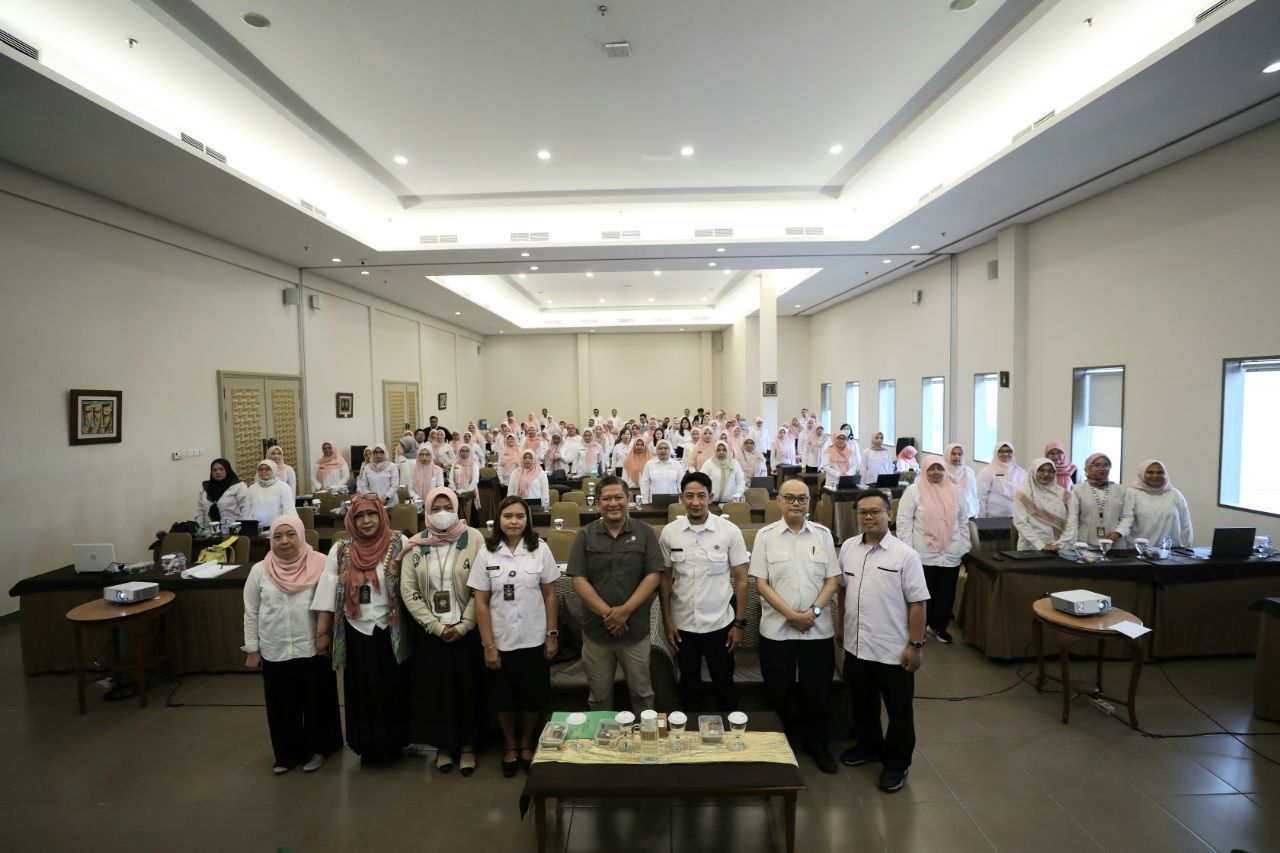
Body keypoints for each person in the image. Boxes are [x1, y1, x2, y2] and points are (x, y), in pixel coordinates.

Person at [835, 489, 929, 794]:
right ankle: (869, 745)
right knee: (862, 703)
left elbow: (917, 603)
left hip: (893, 649)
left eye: (875, 511)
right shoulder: (848, 548)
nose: (868, 517)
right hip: (857, 645)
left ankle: (897, 763)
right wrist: (842, 627)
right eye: (862, 512)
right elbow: (843, 590)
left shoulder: (906, 555)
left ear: (889, 514)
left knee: (899, 711)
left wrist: (916, 645)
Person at [749, 478, 840, 773]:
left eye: (802, 498)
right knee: (777, 692)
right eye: (789, 497)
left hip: (817, 630)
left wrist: (813, 612)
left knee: (819, 691)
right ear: (779, 501)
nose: (796, 503)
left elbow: (832, 581)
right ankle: (779, 746)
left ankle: (818, 745)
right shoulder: (765, 536)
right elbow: (761, 584)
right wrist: (791, 614)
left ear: (809, 502)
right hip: (777, 631)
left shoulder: (823, 535)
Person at [311, 493, 411, 763]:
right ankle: (367, 745)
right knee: (362, 690)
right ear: (351, 520)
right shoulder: (340, 549)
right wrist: (322, 634)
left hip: (390, 631)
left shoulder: (399, 542)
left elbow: (413, 582)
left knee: (392, 688)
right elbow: (327, 595)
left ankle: (395, 743)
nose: (366, 521)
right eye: (360, 516)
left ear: (382, 515)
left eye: (372, 514)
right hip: (356, 632)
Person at [242, 515, 342, 774]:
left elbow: (331, 604)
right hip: (276, 648)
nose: (284, 541)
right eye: (277, 536)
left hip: (312, 646)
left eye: (290, 534)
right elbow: (251, 612)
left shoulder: (321, 563)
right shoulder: (260, 571)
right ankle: (287, 754)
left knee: (316, 701)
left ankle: (317, 749)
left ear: (301, 535)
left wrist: (329, 637)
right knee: (282, 704)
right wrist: (252, 649)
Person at [469, 496, 559, 776]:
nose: (514, 521)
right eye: (508, 516)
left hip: (534, 638)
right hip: (501, 640)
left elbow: (550, 594)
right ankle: (510, 745)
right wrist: (488, 645)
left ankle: (526, 743)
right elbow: (481, 602)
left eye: (520, 516)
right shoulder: (487, 552)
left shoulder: (540, 548)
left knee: (533, 696)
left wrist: (551, 634)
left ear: (527, 520)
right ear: (499, 519)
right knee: (503, 698)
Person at [400, 488, 484, 775]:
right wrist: (435, 626)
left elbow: (481, 585)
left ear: (457, 508)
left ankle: (469, 745)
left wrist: (465, 624)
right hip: (431, 631)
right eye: (435, 508)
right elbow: (409, 590)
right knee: (437, 689)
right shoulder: (415, 544)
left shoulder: (473, 538)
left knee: (467, 687)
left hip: (467, 629)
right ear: (426, 511)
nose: (442, 513)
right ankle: (444, 745)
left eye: (447, 507)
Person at [567, 475, 664, 713]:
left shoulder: (645, 533)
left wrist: (625, 611)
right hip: (596, 632)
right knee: (599, 697)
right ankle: (603, 736)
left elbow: (653, 576)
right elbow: (578, 580)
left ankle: (645, 734)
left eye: (619, 497)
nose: (613, 503)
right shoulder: (585, 535)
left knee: (642, 693)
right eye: (607, 498)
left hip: (635, 630)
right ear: (597, 503)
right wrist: (610, 616)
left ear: (628, 500)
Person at [659, 472, 749, 712]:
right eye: (689, 496)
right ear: (681, 498)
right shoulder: (669, 532)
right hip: (683, 625)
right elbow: (665, 579)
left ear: (711, 496)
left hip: (720, 624)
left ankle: (729, 730)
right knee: (688, 686)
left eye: (701, 495)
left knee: (724, 683)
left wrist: (739, 625)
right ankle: (689, 732)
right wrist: (667, 621)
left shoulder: (729, 531)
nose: (695, 502)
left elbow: (742, 580)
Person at [895, 456, 970, 644]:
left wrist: (964, 546)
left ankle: (939, 626)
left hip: (951, 551)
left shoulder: (955, 491)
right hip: (923, 552)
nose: (936, 472)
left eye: (940, 468)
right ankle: (919, 627)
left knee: (946, 592)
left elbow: (963, 520)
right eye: (932, 468)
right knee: (922, 593)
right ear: (925, 470)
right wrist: (908, 551)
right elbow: (904, 522)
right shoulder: (914, 491)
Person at [1060, 453, 1135, 549]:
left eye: (1106, 465)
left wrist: (1119, 532)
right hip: (1086, 545)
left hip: (1115, 545)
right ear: (1088, 467)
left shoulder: (1122, 490)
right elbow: (1073, 519)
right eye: (1097, 465)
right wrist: (1067, 543)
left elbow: (1128, 516)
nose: (1102, 468)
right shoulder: (1077, 490)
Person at [1128, 459, 1194, 548]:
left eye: (1160, 472)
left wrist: (1185, 547)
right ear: (1142, 474)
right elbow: (1125, 523)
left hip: (1171, 551)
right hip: (1138, 551)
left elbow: (1186, 524)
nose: (1155, 475)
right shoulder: (1131, 493)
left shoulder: (1175, 494)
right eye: (1150, 472)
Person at [1013, 458, 1070, 551]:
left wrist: (1062, 543)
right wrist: (1040, 545)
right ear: (1033, 471)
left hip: (1059, 547)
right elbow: (1020, 523)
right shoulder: (1024, 494)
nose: (1046, 474)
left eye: (1050, 471)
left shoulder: (1062, 493)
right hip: (1031, 548)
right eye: (1041, 470)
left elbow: (1070, 520)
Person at [196, 457, 250, 530]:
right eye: (214, 470)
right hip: (210, 531)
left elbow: (245, 508)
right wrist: (200, 529)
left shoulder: (238, 486)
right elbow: (200, 511)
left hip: (233, 530)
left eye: (221, 469)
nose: (218, 472)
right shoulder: (205, 488)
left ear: (227, 470)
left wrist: (242, 528)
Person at [976, 441, 1026, 517]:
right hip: (993, 519)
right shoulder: (987, 471)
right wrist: (982, 517)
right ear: (996, 453)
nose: (1005, 454)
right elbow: (980, 496)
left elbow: (1025, 494)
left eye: (1009, 451)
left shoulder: (1021, 472)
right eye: (1001, 451)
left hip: (1017, 517)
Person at [247, 459, 297, 528]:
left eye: (267, 469)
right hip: (257, 529)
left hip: (278, 528)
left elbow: (289, 511)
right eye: (261, 469)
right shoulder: (252, 488)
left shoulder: (283, 487)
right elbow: (248, 511)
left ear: (273, 470)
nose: (263, 471)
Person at [943, 443, 979, 518]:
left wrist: (977, 511)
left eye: (960, 454)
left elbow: (974, 493)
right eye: (953, 454)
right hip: (947, 513)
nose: (957, 457)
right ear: (947, 454)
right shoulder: (941, 471)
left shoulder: (969, 472)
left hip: (968, 513)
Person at [450, 444, 480, 514]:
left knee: (469, 513)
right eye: (462, 451)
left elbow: (475, 479)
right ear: (459, 452)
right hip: (456, 492)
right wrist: (454, 489)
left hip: (470, 493)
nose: (465, 453)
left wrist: (467, 491)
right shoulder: (455, 463)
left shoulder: (474, 464)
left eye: (467, 451)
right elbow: (451, 477)